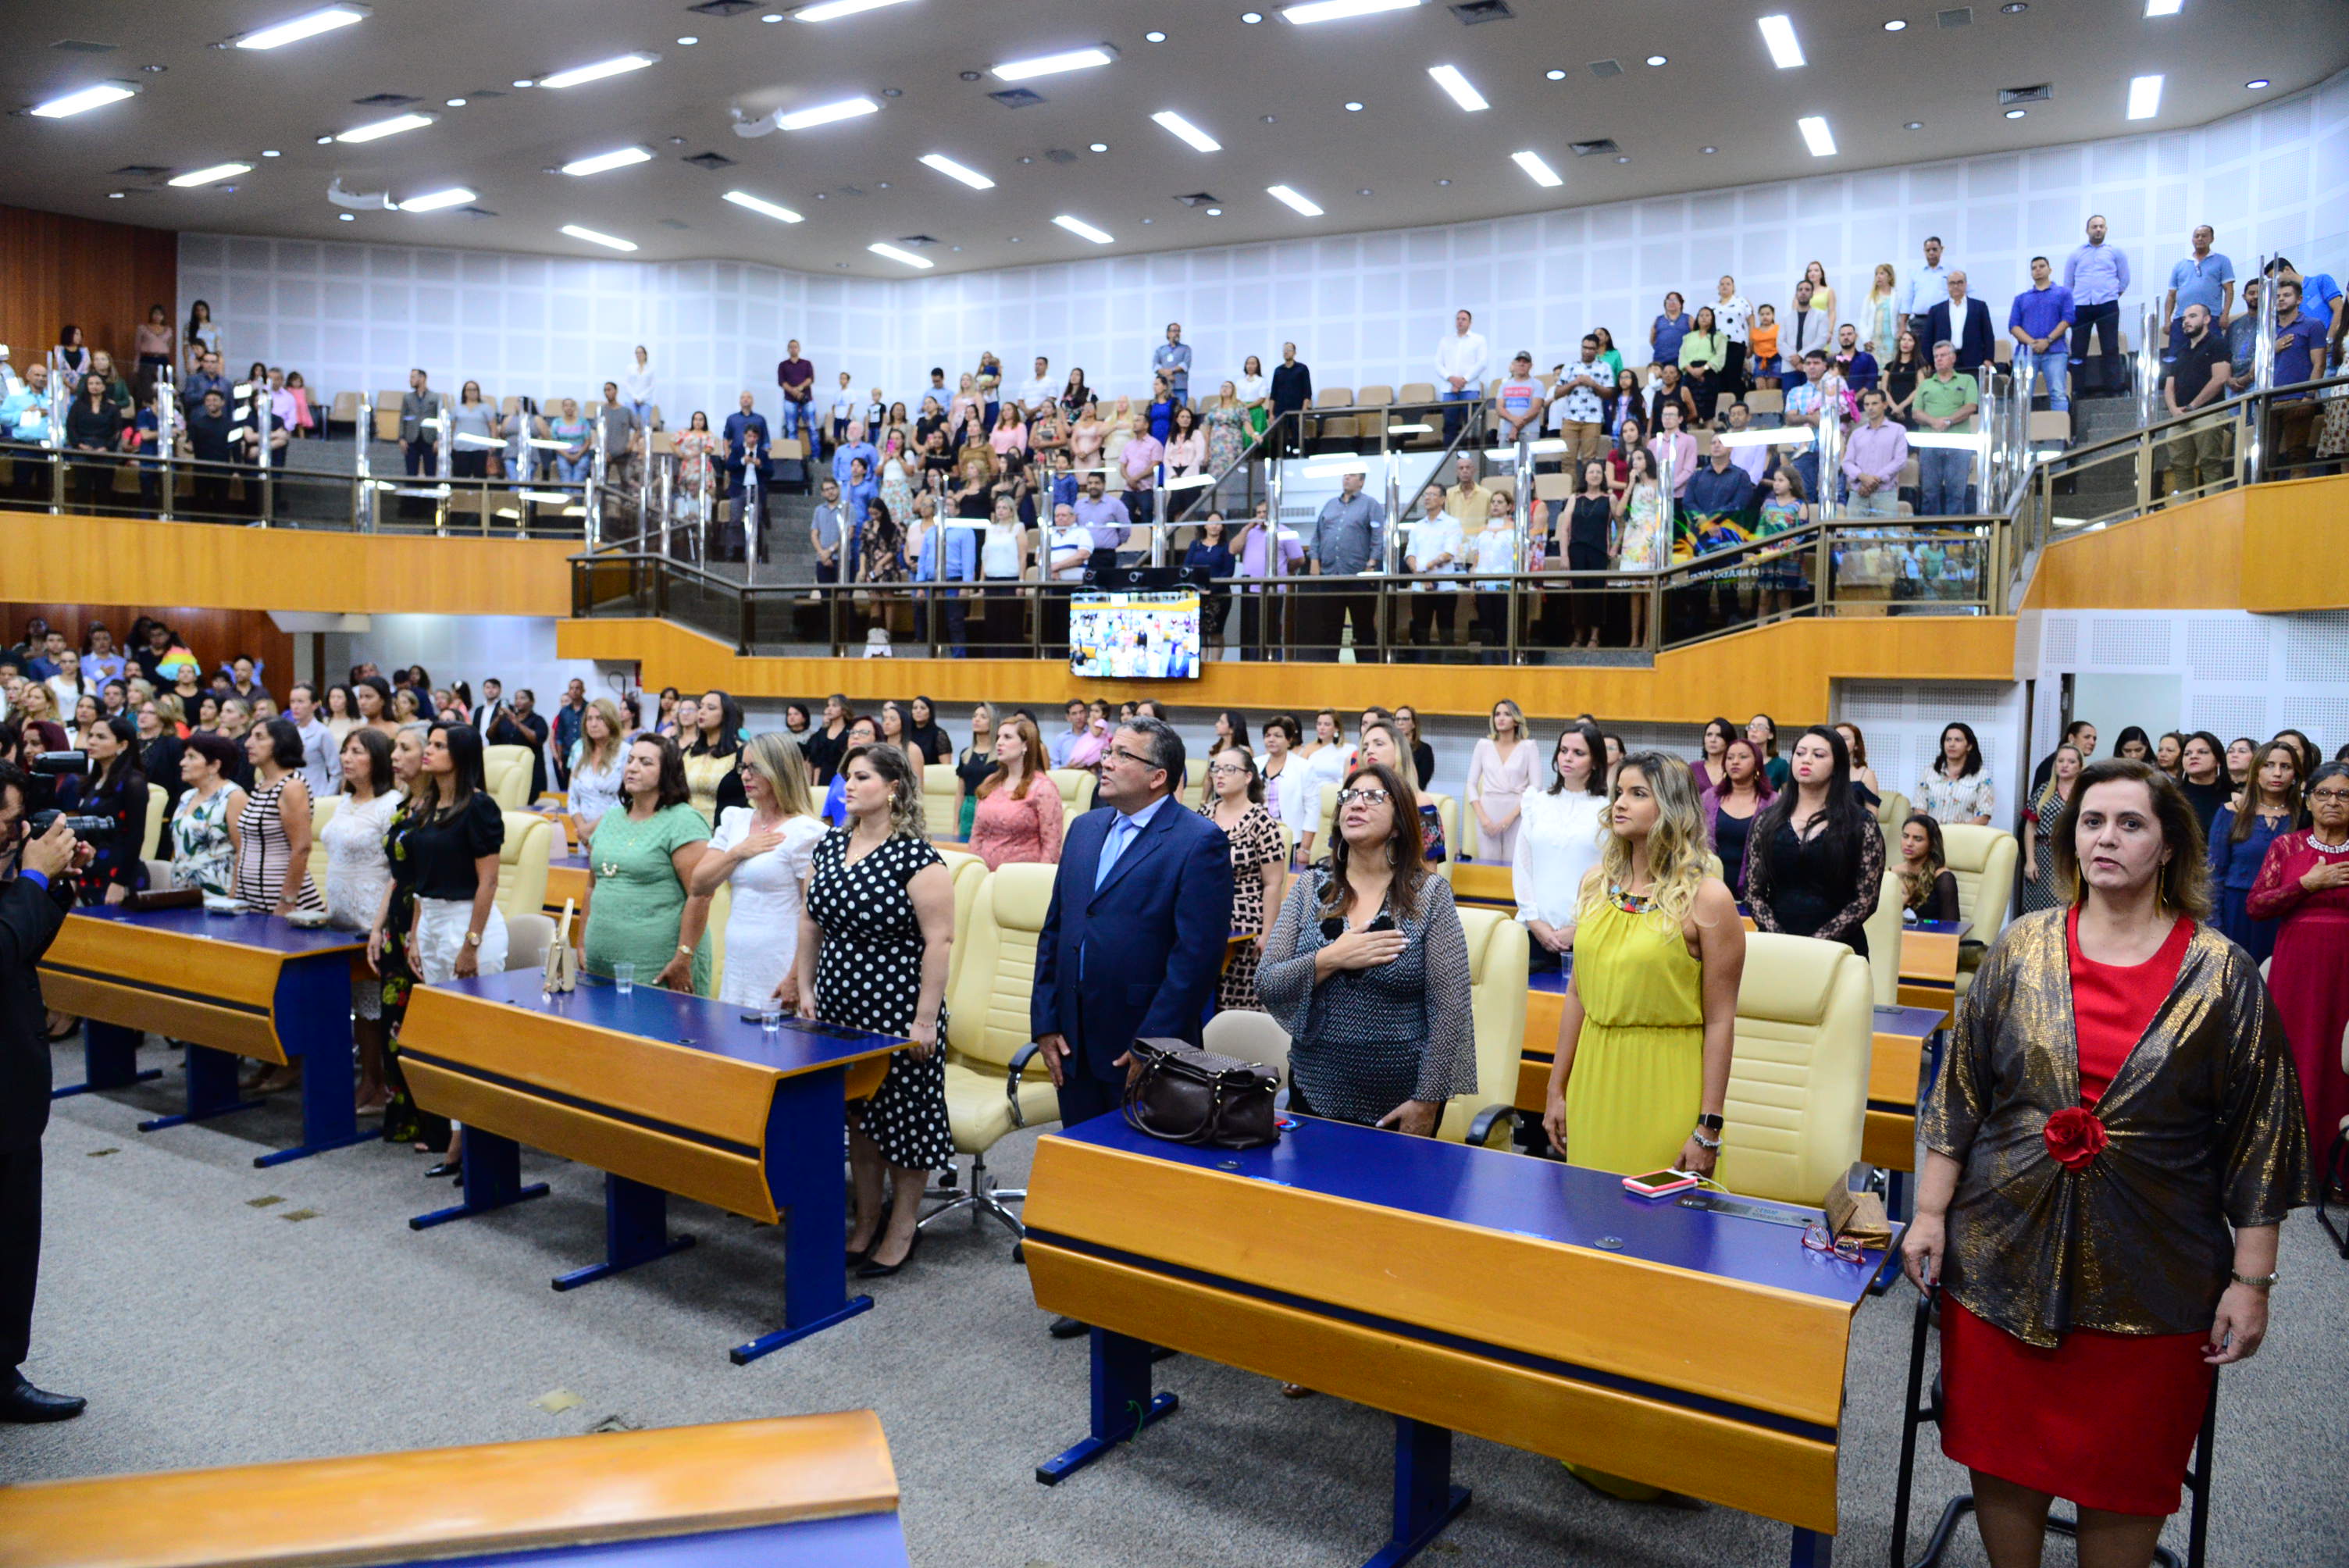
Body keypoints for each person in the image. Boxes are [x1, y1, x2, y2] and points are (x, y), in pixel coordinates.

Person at [1904, 758, 2308, 1568]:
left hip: (2156, 1271)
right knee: (2003, 1450)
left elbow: (2259, 1137)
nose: (2106, 838)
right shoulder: (2022, 947)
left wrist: (2251, 1281)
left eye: (2130, 824)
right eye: (2091, 822)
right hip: (1999, 1251)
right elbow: (1960, 1092)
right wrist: (1929, 1214)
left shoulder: (2222, 973)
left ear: (2168, 846)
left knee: (2125, 1465)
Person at [1541, 749, 1743, 1190]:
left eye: (1637, 794)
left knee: (1664, 1224)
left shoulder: (1708, 899)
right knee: (1589, 1214)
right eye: (1618, 792)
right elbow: (1577, 995)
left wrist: (1708, 1127)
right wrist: (1557, 1089)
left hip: (1667, 1081)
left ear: (1671, 807)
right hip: (1594, 1080)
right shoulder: (1595, 884)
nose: (1619, 803)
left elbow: (1721, 1020)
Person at [1032, 713, 1231, 1156]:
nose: (1106, 761)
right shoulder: (1085, 828)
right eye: (1109, 751)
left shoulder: (1199, 841)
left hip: (1143, 1044)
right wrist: (1045, 1022)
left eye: (1122, 755)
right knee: (1079, 1162)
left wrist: (1151, 1044)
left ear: (1158, 777)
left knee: (1138, 1173)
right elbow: (1056, 930)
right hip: (1072, 1042)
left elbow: (1195, 960)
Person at [796, 743, 954, 1279]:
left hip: (899, 1008)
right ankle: (865, 1222)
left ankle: (902, 1228)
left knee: (905, 1121)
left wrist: (925, 1020)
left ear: (893, 788)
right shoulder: (829, 845)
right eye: (847, 777)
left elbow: (939, 942)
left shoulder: (917, 857)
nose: (848, 785)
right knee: (859, 1119)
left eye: (861, 777)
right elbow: (810, 921)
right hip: (839, 1006)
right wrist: (806, 985)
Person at [0, 786, 87, 1422]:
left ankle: (2, 1371)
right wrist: (32, 876)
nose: (14, 833)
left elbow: (22, 941)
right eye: (6, 822)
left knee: (12, 1240)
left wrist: (53, 885)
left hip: (13, 1090)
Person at [2247, 761, 2349, 1161]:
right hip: (2297, 968)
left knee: (2339, 1060)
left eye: (2344, 794)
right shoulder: (2286, 846)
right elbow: (2256, 906)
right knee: (2296, 1052)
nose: (2333, 802)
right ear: (2307, 800)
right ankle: (2286, 1161)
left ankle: (2335, 1166)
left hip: (2344, 968)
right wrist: (2307, 884)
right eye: (2323, 794)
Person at [693, 732, 827, 1010]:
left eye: (755, 768)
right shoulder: (735, 819)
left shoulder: (807, 832)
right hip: (738, 961)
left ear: (780, 770)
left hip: (780, 962)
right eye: (743, 767)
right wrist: (738, 852)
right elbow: (699, 884)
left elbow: (813, 916)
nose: (745, 775)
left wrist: (796, 977)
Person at [585, 733, 712, 995]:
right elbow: (591, 886)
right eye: (630, 760)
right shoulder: (611, 818)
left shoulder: (683, 821)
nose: (632, 768)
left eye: (645, 763)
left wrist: (684, 956)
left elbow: (700, 895)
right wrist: (581, 945)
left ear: (667, 773)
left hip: (660, 968)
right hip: (601, 968)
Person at [1745, 725, 1885, 957]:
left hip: (1838, 950)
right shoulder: (1766, 820)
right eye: (1800, 753)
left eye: (1818, 755)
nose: (1806, 760)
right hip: (1777, 947)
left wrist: (1815, 944)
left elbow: (1866, 900)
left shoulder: (1861, 823)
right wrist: (1780, 938)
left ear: (1837, 765)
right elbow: (1753, 892)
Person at [323, 729, 401, 1114]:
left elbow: (397, 870)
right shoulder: (346, 800)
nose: (346, 758)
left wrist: (380, 924)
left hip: (371, 915)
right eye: (344, 751)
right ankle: (367, 1080)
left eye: (357, 752)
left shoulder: (391, 804)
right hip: (338, 914)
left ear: (378, 759)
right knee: (355, 1003)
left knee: (373, 1007)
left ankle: (377, 1084)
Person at [1516, 722, 1609, 972]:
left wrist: (1580, 927)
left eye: (1578, 753)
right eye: (1563, 750)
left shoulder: (1608, 810)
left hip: (1589, 932)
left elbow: (1614, 875)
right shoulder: (1537, 803)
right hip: (1535, 931)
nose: (1568, 758)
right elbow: (1522, 866)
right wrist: (1534, 921)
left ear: (1595, 762)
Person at [2207, 740, 2301, 968]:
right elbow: (2215, 873)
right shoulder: (2231, 812)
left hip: (2287, 913)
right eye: (2268, 765)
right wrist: (2214, 926)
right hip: (2237, 911)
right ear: (2256, 770)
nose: (2277, 773)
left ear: (2295, 775)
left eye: (2285, 766)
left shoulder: (2305, 814)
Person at [237, 718, 324, 918]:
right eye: (250, 737)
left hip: (282, 904)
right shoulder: (262, 785)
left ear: (280, 742)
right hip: (254, 900)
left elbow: (302, 848)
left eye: (259, 737)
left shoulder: (292, 786)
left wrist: (287, 901)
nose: (248, 743)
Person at [967, 713, 1064, 870]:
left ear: (1025, 745)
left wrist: (1042, 879)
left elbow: (1052, 846)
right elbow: (976, 836)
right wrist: (973, 870)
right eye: (998, 737)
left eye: (1007, 737)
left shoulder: (1043, 788)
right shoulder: (990, 782)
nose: (999, 743)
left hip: (1022, 877)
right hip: (984, 875)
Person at [2161, 303, 2233, 501]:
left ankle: (2215, 509)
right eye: (2184, 318)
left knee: (2210, 463)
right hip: (2180, 417)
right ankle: (2186, 510)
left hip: (2208, 412)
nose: (2186, 321)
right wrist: (2174, 410)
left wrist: (2193, 406)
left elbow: (2220, 379)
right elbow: (2169, 386)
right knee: (2179, 466)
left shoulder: (2217, 344)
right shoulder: (2181, 351)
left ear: (2207, 319)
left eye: (2192, 316)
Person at [168, 733, 247, 895]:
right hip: (182, 892)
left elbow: (244, 851)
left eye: (192, 757)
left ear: (214, 765)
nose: (182, 763)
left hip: (219, 893)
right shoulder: (187, 796)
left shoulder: (233, 796)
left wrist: (233, 895)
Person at [2063, 213, 2132, 398]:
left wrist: (2112, 295)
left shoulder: (2115, 252)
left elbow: (2124, 279)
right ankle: (2077, 391)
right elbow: (2068, 284)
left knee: (2110, 348)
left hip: (2107, 305)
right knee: (2078, 350)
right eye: (2094, 227)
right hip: (2081, 306)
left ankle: (2114, 391)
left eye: (2101, 226)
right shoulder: (2076, 254)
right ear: (2087, 230)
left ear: (2106, 229)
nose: (2098, 230)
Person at [1702, 736, 1772, 898]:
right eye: (1730, 757)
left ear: (1757, 763)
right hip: (1710, 890)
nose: (1735, 762)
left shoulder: (1772, 802)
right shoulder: (1709, 798)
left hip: (1756, 894)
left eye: (1743, 757)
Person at [1467, 700, 1536, 864]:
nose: (1501, 718)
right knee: (1488, 866)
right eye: (1497, 714)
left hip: (1517, 813)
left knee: (1514, 865)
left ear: (1516, 720)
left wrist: (1509, 819)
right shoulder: (1483, 745)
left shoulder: (1529, 747)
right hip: (1488, 811)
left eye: (1507, 714)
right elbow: (1471, 784)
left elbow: (1535, 787)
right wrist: (1483, 819)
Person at [2022, 743, 2084, 914]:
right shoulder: (2044, 791)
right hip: (2044, 856)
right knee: (2041, 908)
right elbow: (2030, 828)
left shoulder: (2084, 794)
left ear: (2080, 766)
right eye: (2060, 761)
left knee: (2069, 903)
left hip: (2072, 855)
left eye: (2071, 762)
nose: (2065, 765)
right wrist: (2030, 861)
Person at [680, 691, 744, 825]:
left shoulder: (741, 753)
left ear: (726, 715)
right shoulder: (689, 752)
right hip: (687, 826)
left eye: (711, 708)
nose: (702, 712)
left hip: (723, 828)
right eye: (701, 707)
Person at [1919, 721, 1994, 826]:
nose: (1952, 744)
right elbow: (1919, 807)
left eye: (1958, 740)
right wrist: (1930, 831)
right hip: (1932, 833)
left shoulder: (1982, 776)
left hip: (1965, 834)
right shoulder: (1929, 772)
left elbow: (1984, 816)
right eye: (1948, 740)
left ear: (1969, 746)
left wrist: (1958, 833)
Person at [1895, 811, 1962, 922]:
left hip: (1930, 933)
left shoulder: (1944, 879)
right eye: (1905, 836)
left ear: (1931, 844)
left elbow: (1951, 927)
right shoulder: (1891, 873)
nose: (1909, 843)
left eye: (1918, 839)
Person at [487, 688, 550, 804]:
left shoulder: (538, 720)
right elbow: (489, 735)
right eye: (516, 698)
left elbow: (537, 739)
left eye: (523, 698)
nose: (518, 701)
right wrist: (498, 718)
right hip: (509, 769)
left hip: (531, 771)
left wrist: (517, 723)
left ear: (531, 702)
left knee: (529, 801)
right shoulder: (506, 719)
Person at [2176, 732, 2231, 841]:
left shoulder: (2235, 800)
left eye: (2202, 752)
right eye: (2187, 754)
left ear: (2218, 761)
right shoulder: (2171, 795)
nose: (2193, 756)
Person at [1153, 322, 1192, 406]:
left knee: (1181, 410)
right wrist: (1167, 374)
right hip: (1164, 389)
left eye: (1178, 331)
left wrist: (1171, 371)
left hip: (1180, 389)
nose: (1177, 333)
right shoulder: (1161, 350)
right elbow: (1156, 366)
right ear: (1168, 333)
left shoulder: (1185, 349)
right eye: (1174, 331)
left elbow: (1186, 365)